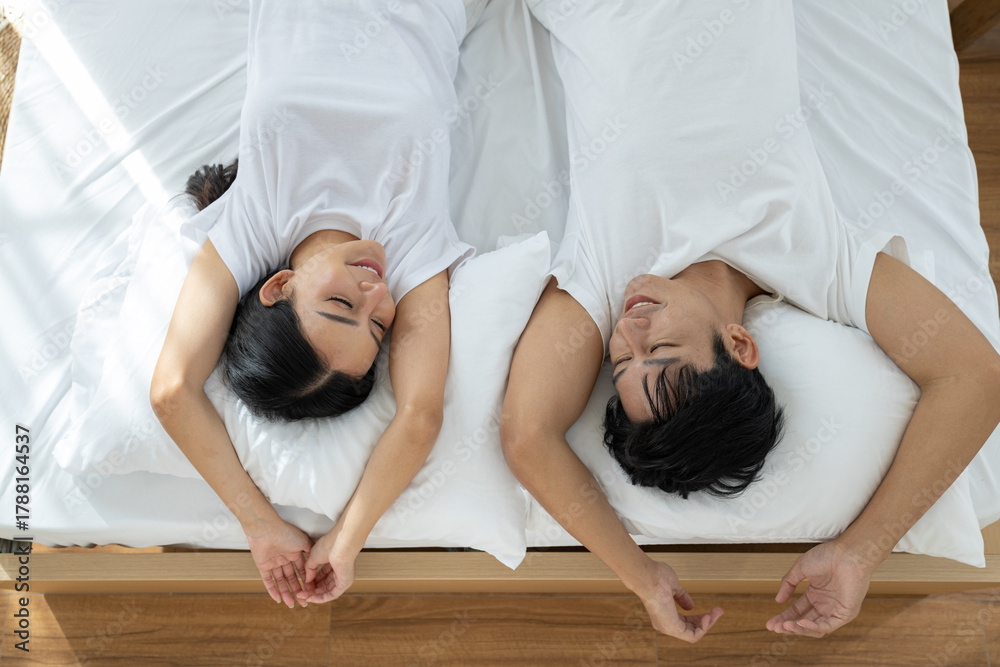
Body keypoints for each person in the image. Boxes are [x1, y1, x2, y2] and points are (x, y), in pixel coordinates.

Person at [500, 0, 1000, 643]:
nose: (627, 332)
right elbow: (974, 377)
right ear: (739, 343)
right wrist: (860, 552)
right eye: (660, 348)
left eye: (620, 361)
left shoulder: (607, 278)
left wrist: (641, 576)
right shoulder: (816, 260)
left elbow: (528, 435)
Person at [150, 0, 481, 608]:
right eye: (378, 325)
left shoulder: (257, 220)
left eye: (339, 303)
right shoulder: (410, 244)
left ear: (279, 286)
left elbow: (173, 391)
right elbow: (419, 415)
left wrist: (258, 524)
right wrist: (345, 540)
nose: (376, 291)